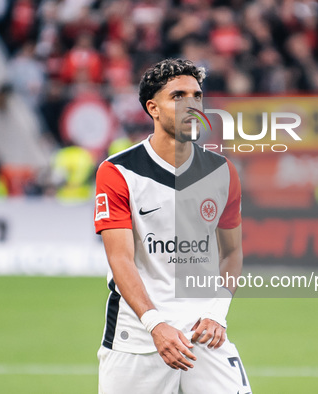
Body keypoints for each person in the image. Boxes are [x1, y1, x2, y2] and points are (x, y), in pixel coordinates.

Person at [93, 59, 252, 393]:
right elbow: (119, 258)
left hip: (204, 336)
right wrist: (155, 325)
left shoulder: (222, 172)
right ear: (153, 108)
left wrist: (217, 313)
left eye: (197, 95)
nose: (191, 104)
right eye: (178, 96)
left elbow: (233, 253)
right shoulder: (118, 172)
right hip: (137, 338)